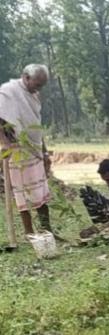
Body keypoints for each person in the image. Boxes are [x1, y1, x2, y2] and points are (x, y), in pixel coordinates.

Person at [0, 64, 53, 238]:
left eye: (41, 86)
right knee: (21, 192)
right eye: (36, 84)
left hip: (35, 149)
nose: (38, 89)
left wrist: (44, 151)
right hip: (17, 149)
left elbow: (37, 125)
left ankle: (47, 230)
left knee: (40, 190)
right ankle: (29, 232)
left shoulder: (34, 95)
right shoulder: (8, 92)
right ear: (26, 77)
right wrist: (6, 143)